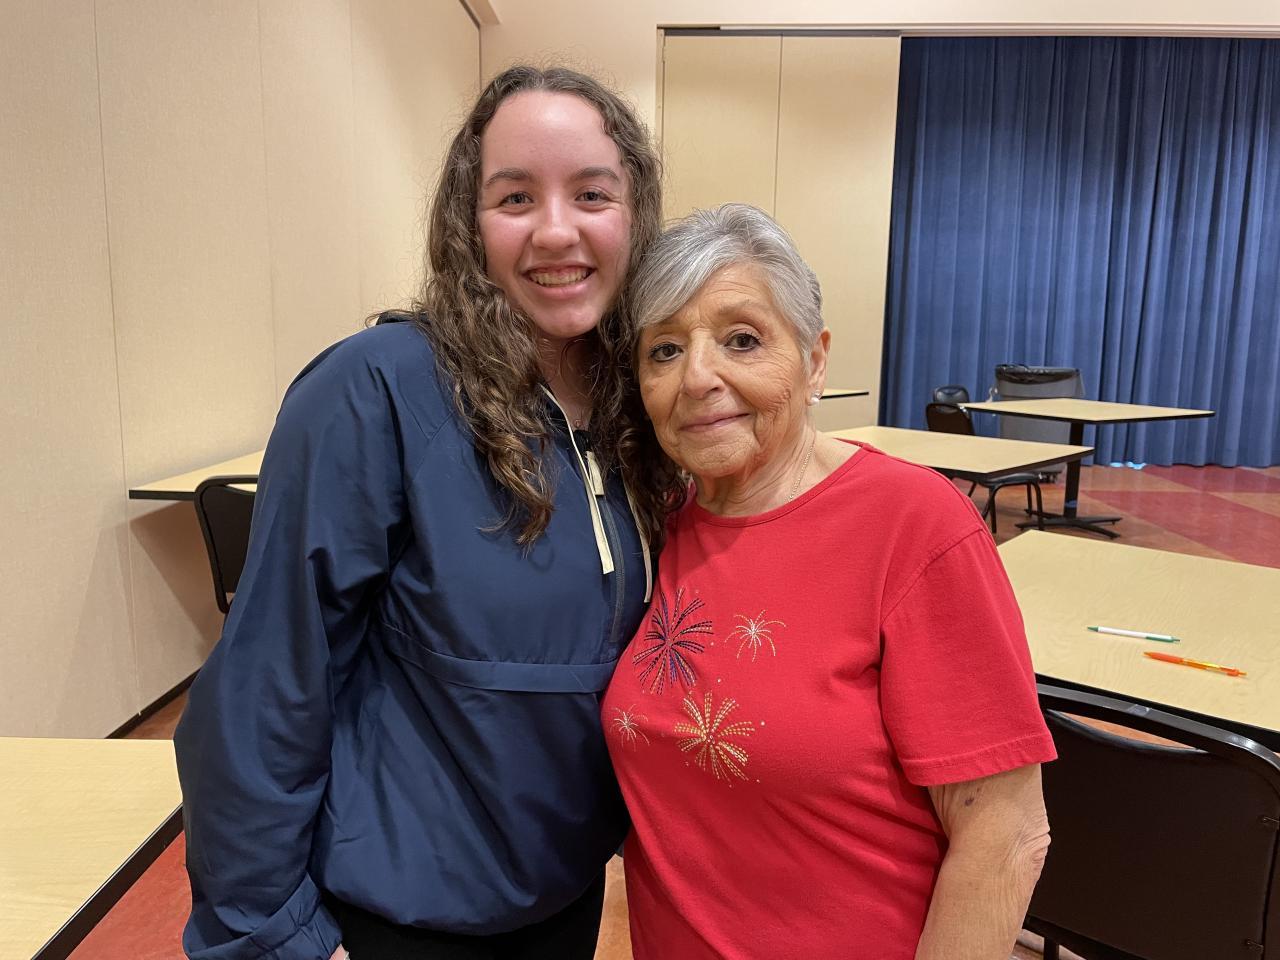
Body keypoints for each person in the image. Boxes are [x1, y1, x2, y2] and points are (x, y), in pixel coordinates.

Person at [174, 65, 676, 960]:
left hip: (563, 896)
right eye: (514, 197)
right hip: (395, 916)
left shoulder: (641, 409)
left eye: (592, 194)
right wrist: (271, 937)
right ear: (467, 223)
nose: (556, 230)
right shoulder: (375, 390)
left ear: (634, 217)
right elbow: (265, 689)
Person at [602, 203, 1056, 960]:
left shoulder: (913, 525)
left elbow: (1005, 833)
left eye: (742, 340)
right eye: (665, 350)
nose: (698, 378)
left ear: (815, 361)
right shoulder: (654, 529)